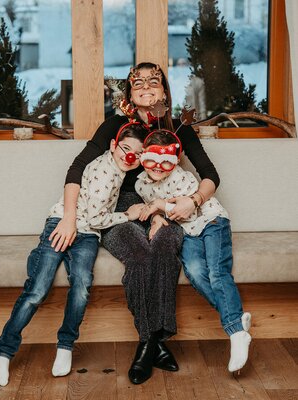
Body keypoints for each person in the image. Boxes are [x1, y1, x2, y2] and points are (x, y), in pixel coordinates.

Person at [52, 62, 222, 384]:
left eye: (153, 81)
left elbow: (211, 176)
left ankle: (150, 343)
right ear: (130, 92)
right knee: (140, 255)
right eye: (138, 82)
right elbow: (77, 168)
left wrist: (191, 201)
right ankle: (151, 341)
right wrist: (70, 217)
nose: (145, 86)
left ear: (163, 90)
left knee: (165, 246)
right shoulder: (116, 126)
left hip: (164, 204)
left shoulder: (178, 129)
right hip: (120, 210)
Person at [0, 122, 147, 387]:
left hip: (87, 235)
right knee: (37, 289)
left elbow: (94, 222)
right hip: (63, 223)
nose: (130, 156)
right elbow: (98, 217)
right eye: (126, 149)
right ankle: (4, 352)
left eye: (138, 154)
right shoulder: (104, 171)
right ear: (113, 146)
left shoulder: (122, 168)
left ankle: (65, 345)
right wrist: (128, 215)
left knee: (82, 284)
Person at [136, 129, 252, 373]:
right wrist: (155, 215)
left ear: (175, 160)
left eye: (165, 161)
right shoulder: (140, 185)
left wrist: (160, 205)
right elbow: (154, 211)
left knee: (217, 273)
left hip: (211, 222)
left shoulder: (183, 177)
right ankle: (236, 322)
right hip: (188, 233)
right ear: (142, 157)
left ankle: (236, 335)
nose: (158, 167)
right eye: (151, 160)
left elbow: (187, 209)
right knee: (196, 272)